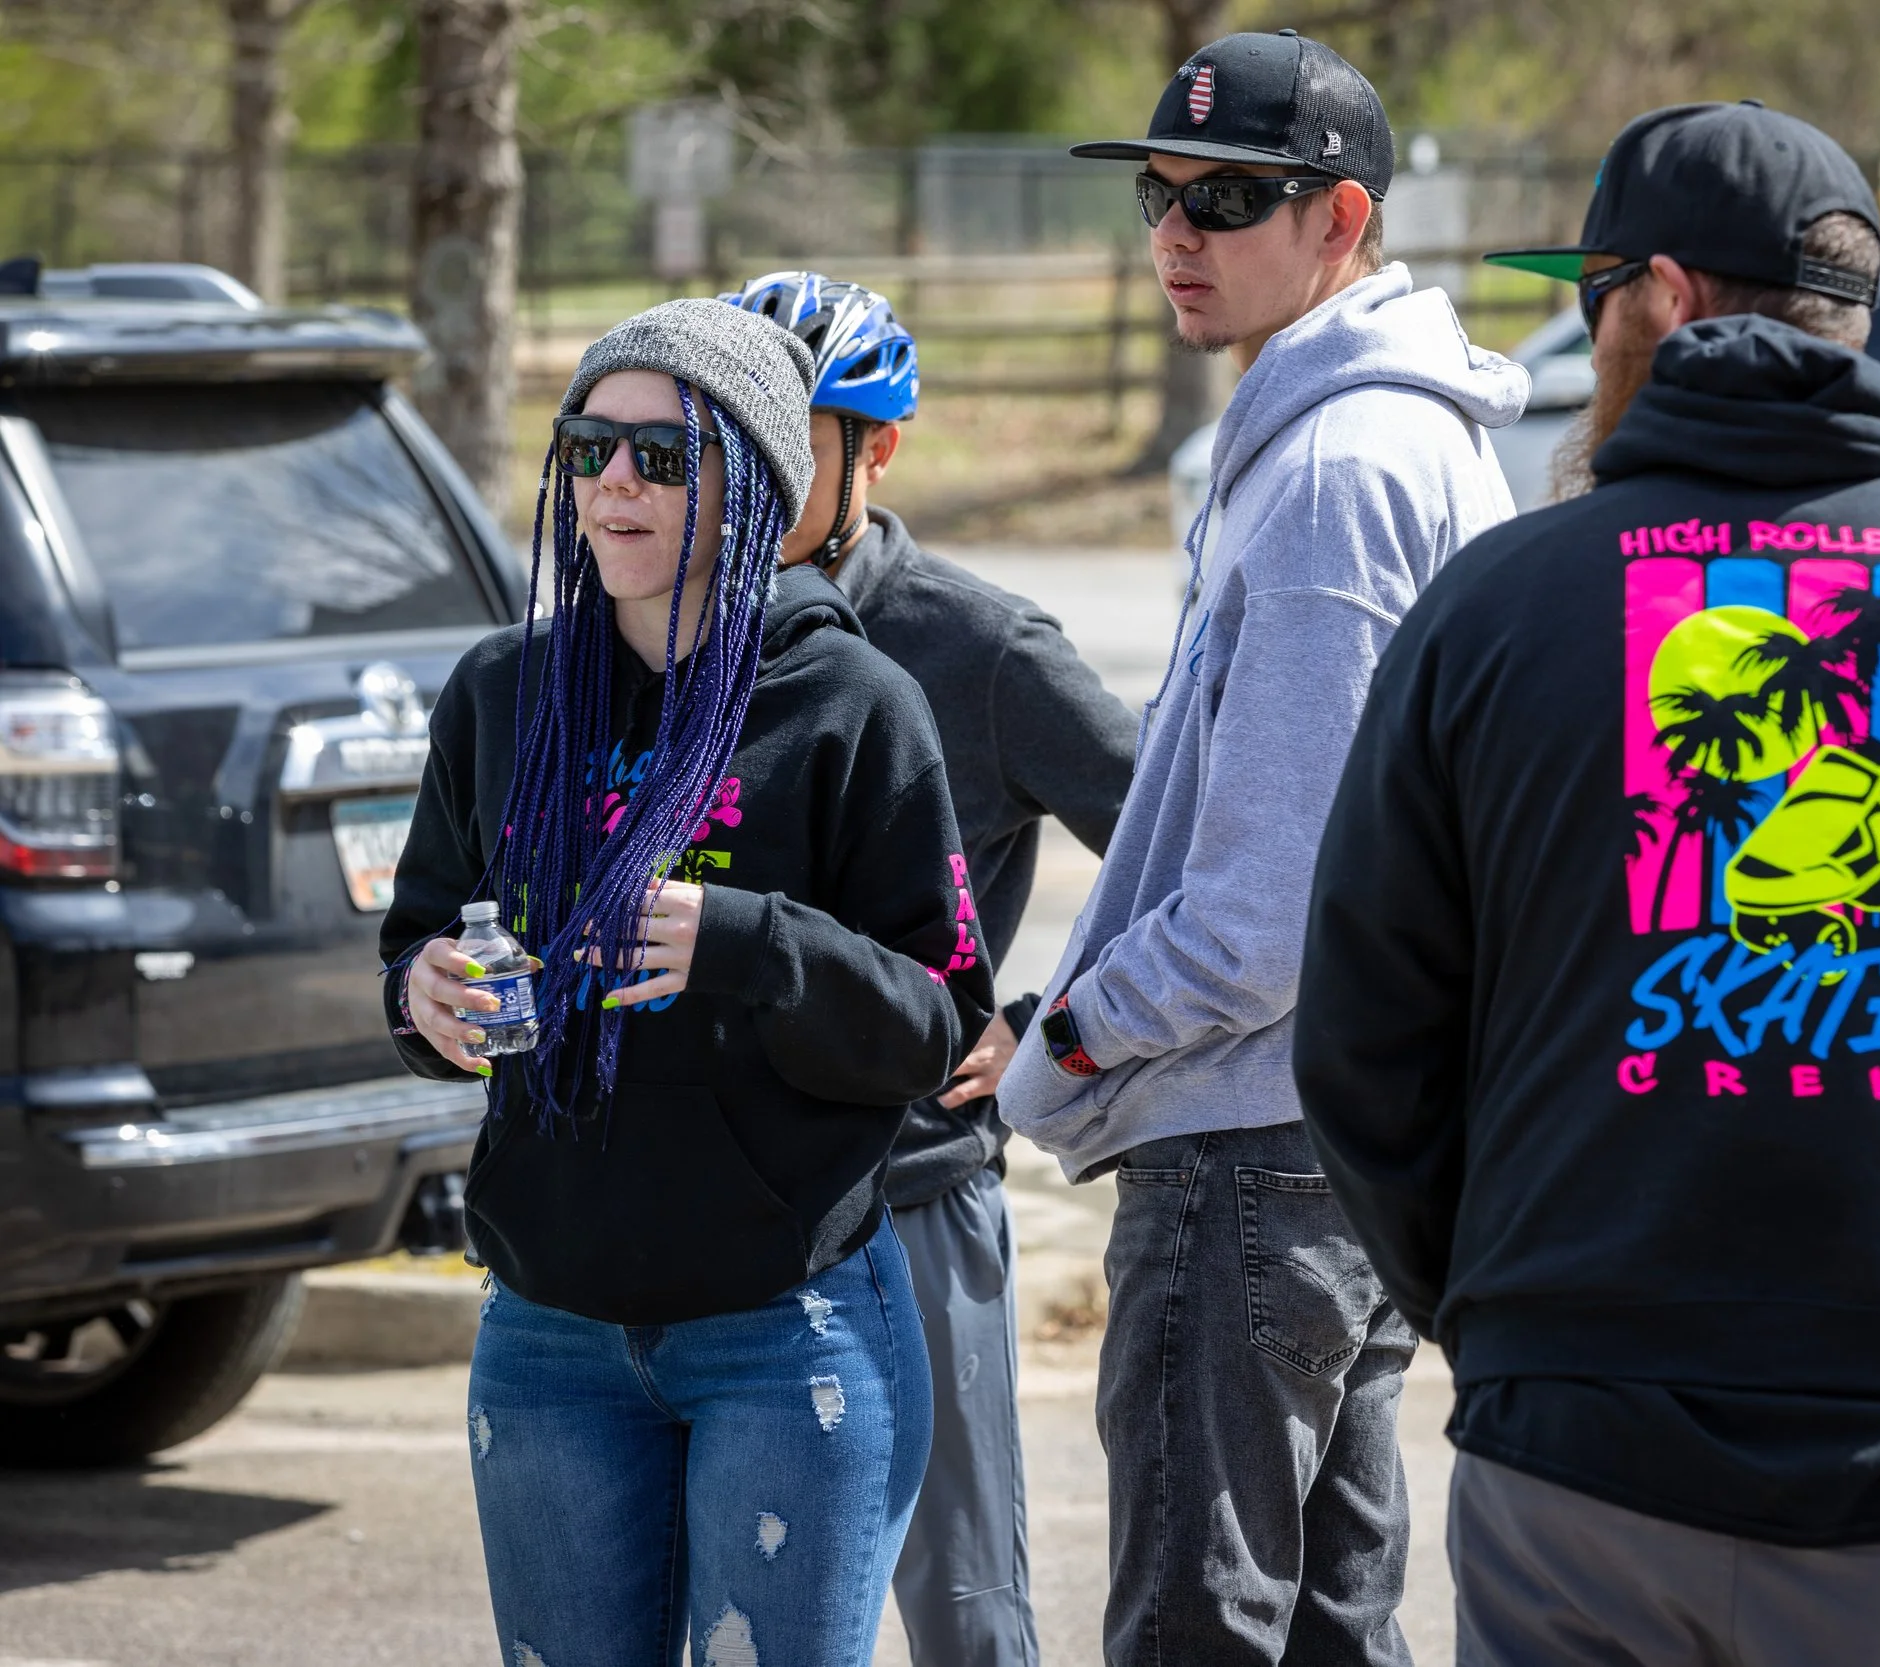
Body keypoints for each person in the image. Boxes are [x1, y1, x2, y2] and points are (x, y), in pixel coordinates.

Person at [1293, 102, 1880, 1666]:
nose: (1588, 347)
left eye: (1592, 303)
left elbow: (1364, 1040)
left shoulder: (1495, 611)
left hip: (1585, 1460)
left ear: (1663, 295)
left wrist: (1514, 1315)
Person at [992, 28, 1527, 1667]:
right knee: (1334, 1626)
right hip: (1349, 1131)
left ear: (1340, 224)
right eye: (1158, 193)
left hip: (1253, 1138)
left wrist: (1068, 1031)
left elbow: (1270, 905)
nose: (1175, 233)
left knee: (1195, 1629)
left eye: (1228, 197)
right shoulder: (1388, 435)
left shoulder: (1338, 470)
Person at [380, 299, 992, 1667]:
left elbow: (938, 1019)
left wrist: (749, 941)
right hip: (547, 1331)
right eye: (591, 447)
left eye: (663, 457)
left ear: (758, 484)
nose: (612, 484)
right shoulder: (502, 694)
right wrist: (420, 993)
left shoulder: (853, 705)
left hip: (789, 1330)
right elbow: (419, 938)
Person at [726, 269, 1138, 1667]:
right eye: (729, 428)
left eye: (796, 435)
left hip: (909, 1191)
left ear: (876, 449)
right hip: (710, 1201)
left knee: (964, 1610)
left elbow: (1184, 842)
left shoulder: (985, 648)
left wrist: (1051, 1020)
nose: (751, 466)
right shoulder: (660, 623)